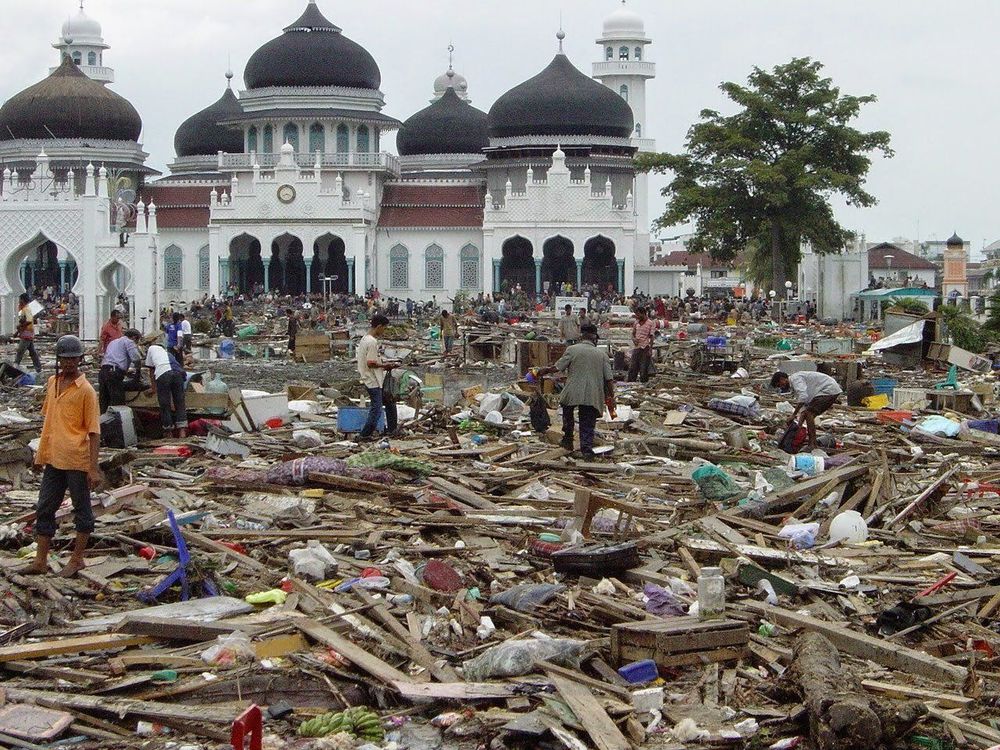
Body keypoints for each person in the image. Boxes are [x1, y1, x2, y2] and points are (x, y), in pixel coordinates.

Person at [26, 335, 102, 577]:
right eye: (65, 359)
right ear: (58, 360)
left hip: (76, 459)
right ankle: (40, 560)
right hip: (54, 458)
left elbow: (94, 431)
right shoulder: (52, 383)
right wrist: (41, 454)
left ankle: (77, 558)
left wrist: (93, 467)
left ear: (80, 359)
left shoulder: (86, 391)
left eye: (73, 359)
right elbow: (50, 423)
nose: (69, 363)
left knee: (82, 510)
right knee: (45, 508)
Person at [537, 323, 614, 458]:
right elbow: (609, 379)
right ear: (594, 338)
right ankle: (587, 450)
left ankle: (568, 440)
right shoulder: (602, 355)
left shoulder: (572, 350)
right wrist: (611, 397)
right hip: (592, 394)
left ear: (581, 336)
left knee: (568, 412)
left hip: (573, 391)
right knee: (587, 421)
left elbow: (557, 367)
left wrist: (543, 370)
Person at [770, 370, 843, 450]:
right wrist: (798, 426)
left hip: (828, 389)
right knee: (807, 413)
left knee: (809, 414)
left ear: (782, 379)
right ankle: (812, 442)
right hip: (825, 391)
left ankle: (812, 444)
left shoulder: (795, 379)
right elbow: (804, 407)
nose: (781, 387)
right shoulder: (795, 384)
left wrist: (793, 415)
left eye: (780, 384)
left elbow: (803, 397)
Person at [356, 314, 399, 440]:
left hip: (371, 377)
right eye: (384, 328)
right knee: (377, 409)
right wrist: (386, 365)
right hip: (372, 379)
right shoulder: (372, 342)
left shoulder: (365, 339)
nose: (383, 331)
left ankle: (392, 429)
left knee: (390, 402)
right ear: (379, 326)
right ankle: (364, 434)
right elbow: (371, 362)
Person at [146, 343, 187, 438]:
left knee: (165, 404)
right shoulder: (168, 354)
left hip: (163, 374)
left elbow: (151, 370)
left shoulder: (151, 348)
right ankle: (182, 432)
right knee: (180, 403)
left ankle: (168, 432)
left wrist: (153, 388)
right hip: (178, 373)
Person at [98, 328, 142, 413]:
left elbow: (114, 359)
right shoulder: (129, 342)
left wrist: (125, 371)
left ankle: (103, 423)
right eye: (137, 340)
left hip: (104, 371)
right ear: (133, 337)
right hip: (113, 373)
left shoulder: (113, 342)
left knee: (104, 402)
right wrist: (138, 371)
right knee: (118, 403)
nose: (136, 343)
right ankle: (117, 425)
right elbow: (136, 359)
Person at [628, 307, 659, 383]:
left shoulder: (650, 323)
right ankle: (631, 383)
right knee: (633, 367)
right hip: (636, 347)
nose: (637, 316)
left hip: (645, 348)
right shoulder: (636, 323)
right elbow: (633, 333)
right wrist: (633, 339)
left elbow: (651, 337)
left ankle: (643, 384)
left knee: (643, 369)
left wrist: (650, 349)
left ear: (643, 313)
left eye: (638, 314)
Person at [14, 293, 41, 374]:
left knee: (20, 351)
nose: (19, 301)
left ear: (22, 300)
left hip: (26, 334)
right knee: (32, 352)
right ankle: (38, 368)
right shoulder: (25, 309)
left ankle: (15, 366)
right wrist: (17, 332)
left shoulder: (26, 309)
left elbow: (28, 321)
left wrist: (21, 326)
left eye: (20, 300)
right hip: (26, 333)